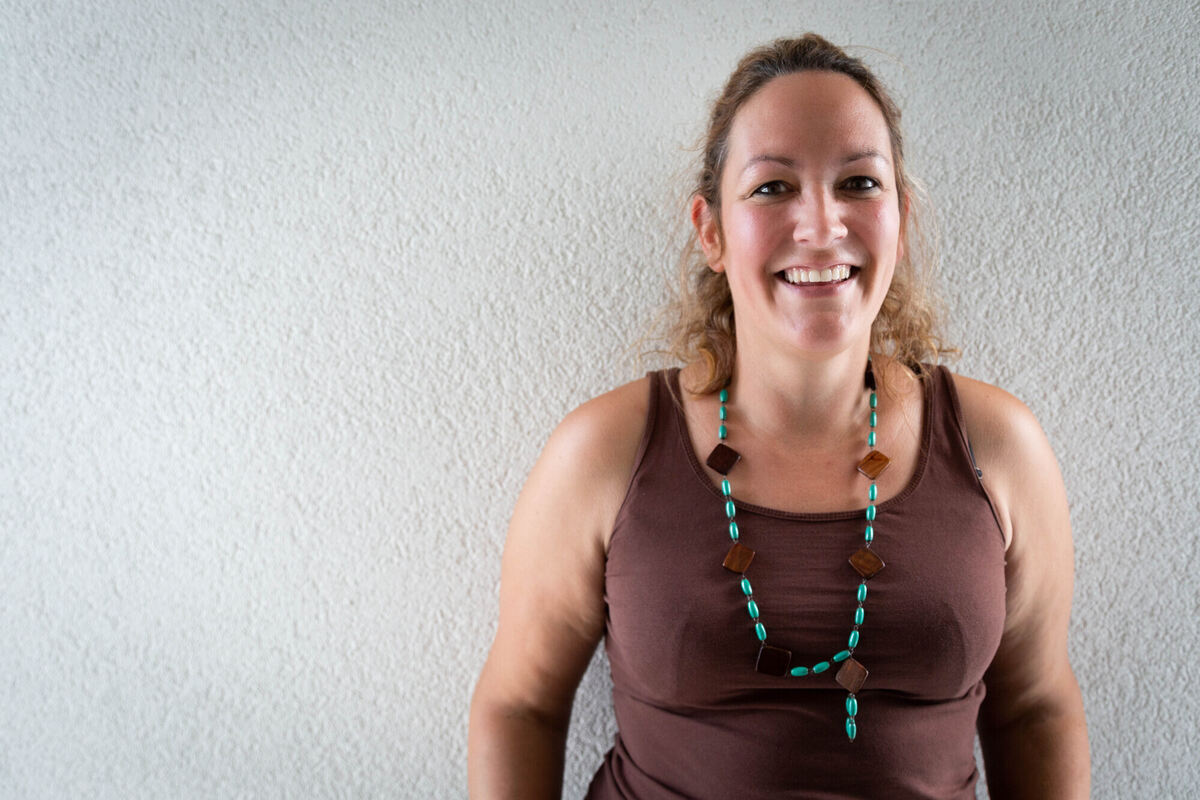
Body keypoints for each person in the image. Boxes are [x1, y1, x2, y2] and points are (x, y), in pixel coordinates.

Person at [468, 34, 1089, 799]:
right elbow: (520, 706)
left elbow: (1035, 709)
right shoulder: (603, 450)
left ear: (901, 220)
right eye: (772, 188)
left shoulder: (999, 446)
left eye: (859, 183)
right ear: (711, 231)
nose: (821, 226)